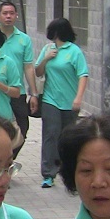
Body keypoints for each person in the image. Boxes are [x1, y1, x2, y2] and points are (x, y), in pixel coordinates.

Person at [35, 17, 88, 188]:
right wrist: (46, 59)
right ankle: (48, 173)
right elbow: (38, 72)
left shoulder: (74, 51)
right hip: (50, 100)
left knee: (68, 138)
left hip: (69, 102)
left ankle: (68, 172)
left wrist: (78, 98)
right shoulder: (47, 49)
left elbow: (83, 75)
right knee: (50, 134)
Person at [0, 1, 39, 157]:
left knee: (22, 127)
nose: (8, 16)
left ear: (16, 15)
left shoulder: (24, 39)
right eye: (5, 13)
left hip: (17, 91)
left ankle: (9, 158)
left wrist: (33, 94)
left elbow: (28, 67)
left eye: (11, 13)